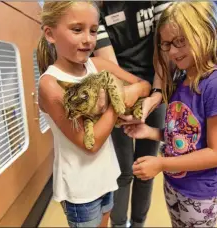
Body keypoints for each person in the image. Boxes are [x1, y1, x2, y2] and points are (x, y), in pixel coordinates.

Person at [123, 2, 217, 227]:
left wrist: (161, 163)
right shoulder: (181, 79)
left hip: (200, 194)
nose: (173, 52)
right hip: (175, 184)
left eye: (181, 41)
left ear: (207, 32)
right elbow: (185, 136)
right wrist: (150, 132)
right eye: (167, 44)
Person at [37, 2, 151, 227]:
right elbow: (91, 143)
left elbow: (144, 85)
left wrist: (132, 91)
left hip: (107, 176)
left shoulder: (97, 65)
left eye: (93, 30)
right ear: (50, 33)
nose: (88, 39)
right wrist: (114, 102)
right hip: (80, 189)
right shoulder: (50, 85)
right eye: (77, 29)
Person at [93, 2, 171, 226]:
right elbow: (110, 65)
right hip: (120, 88)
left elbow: (164, 49)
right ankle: (119, 224)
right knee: (123, 170)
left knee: (145, 167)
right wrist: (129, 102)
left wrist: (154, 94)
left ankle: (138, 223)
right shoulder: (97, 7)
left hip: (157, 82)